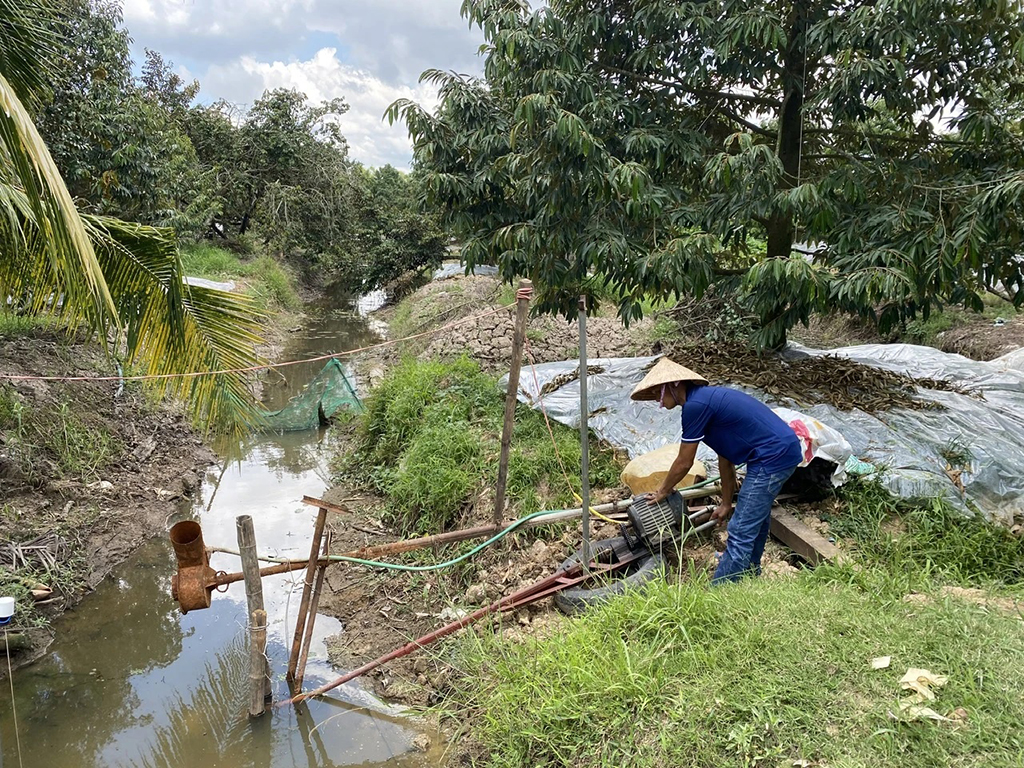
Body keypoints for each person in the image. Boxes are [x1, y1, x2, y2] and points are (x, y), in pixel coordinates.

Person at [630, 358, 802, 583]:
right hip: (780, 452)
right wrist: (725, 503)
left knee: (740, 529)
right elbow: (725, 459)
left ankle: (722, 592)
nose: (656, 399)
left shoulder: (695, 406)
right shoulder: (705, 401)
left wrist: (663, 490)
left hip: (771, 457)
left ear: (673, 385)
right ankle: (750, 572)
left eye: (656, 392)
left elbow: (684, 462)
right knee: (755, 518)